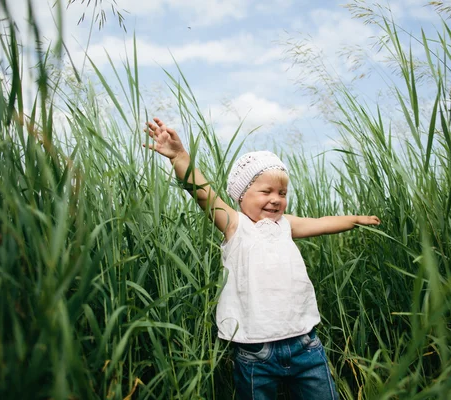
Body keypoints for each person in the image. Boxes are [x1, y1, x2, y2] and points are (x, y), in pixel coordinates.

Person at [144, 117, 381, 400]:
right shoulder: (235, 225)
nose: (276, 199)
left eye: (282, 193)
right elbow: (204, 195)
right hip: (256, 350)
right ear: (242, 196)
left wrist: (355, 219)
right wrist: (180, 157)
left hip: (305, 343)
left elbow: (321, 222)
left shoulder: (286, 225)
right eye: (266, 191)